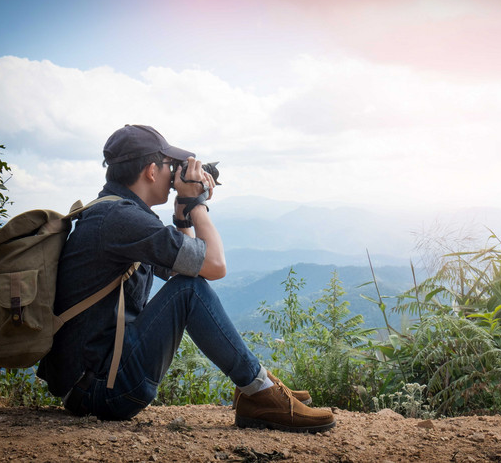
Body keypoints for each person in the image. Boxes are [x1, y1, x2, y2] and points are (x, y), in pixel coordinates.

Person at [37, 124, 336, 433]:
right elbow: (214, 266)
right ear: (152, 171)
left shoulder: (115, 213)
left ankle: (257, 388)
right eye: (171, 166)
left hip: (92, 384)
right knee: (189, 291)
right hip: (104, 391)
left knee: (188, 286)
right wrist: (198, 206)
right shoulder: (122, 220)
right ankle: (260, 392)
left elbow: (185, 268)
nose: (174, 175)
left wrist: (182, 216)